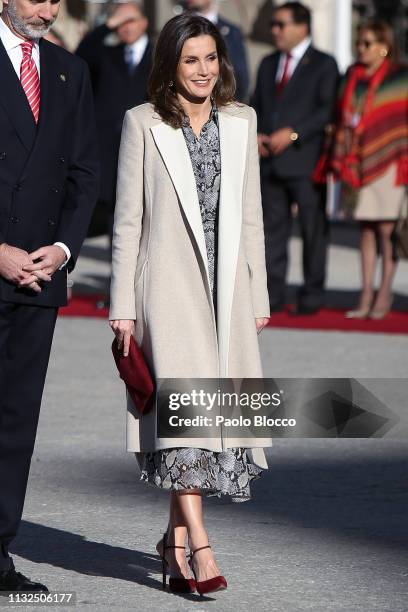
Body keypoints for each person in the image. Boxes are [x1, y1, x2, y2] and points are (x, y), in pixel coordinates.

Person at [109, 13, 271, 596]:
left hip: (227, 292)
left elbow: (252, 216)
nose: (204, 71)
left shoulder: (241, 121)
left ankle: (172, 545)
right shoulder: (143, 123)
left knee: (217, 417)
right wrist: (121, 305)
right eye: (190, 60)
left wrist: (259, 293)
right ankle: (202, 548)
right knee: (185, 421)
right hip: (168, 292)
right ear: (170, 67)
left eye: (211, 59)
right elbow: (128, 223)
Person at [0, 0, 99, 592]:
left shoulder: (70, 71)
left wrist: (61, 249)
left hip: (39, 275)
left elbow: (85, 173)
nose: (50, 8)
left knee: (15, 420)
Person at [251, 1, 339, 315]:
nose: (275, 30)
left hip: (306, 162)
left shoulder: (324, 64)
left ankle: (311, 295)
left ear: (302, 27)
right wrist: (257, 133)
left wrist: (293, 133)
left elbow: (326, 110)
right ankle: (273, 294)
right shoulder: (268, 62)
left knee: (313, 230)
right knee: (272, 231)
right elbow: (256, 104)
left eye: (281, 24)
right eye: (274, 24)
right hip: (271, 163)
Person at [329, 19, 408, 320]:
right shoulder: (352, 76)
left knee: (386, 230)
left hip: (389, 161)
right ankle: (365, 293)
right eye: (358, 43)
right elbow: (341, 115)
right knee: (365, 229)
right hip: (357, 161)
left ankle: (384, 292)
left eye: (367, 43)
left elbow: (400, 120)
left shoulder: (399, 79)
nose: (360, 49)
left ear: (384, 47)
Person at [76, 1, 152, 239]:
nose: (125, 27)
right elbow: (82, 55)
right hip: (108, 152)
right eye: (120, 22)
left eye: (131, 20)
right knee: (115, 220)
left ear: (144, 23)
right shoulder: (106, 55)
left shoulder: (159, 57)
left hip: (143, 148)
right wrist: (109, 24)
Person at [184, 0, 250, 101]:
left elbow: (241, 78)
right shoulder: (177, 30)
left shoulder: (232, 32)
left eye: (211, 58)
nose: (204, 70)